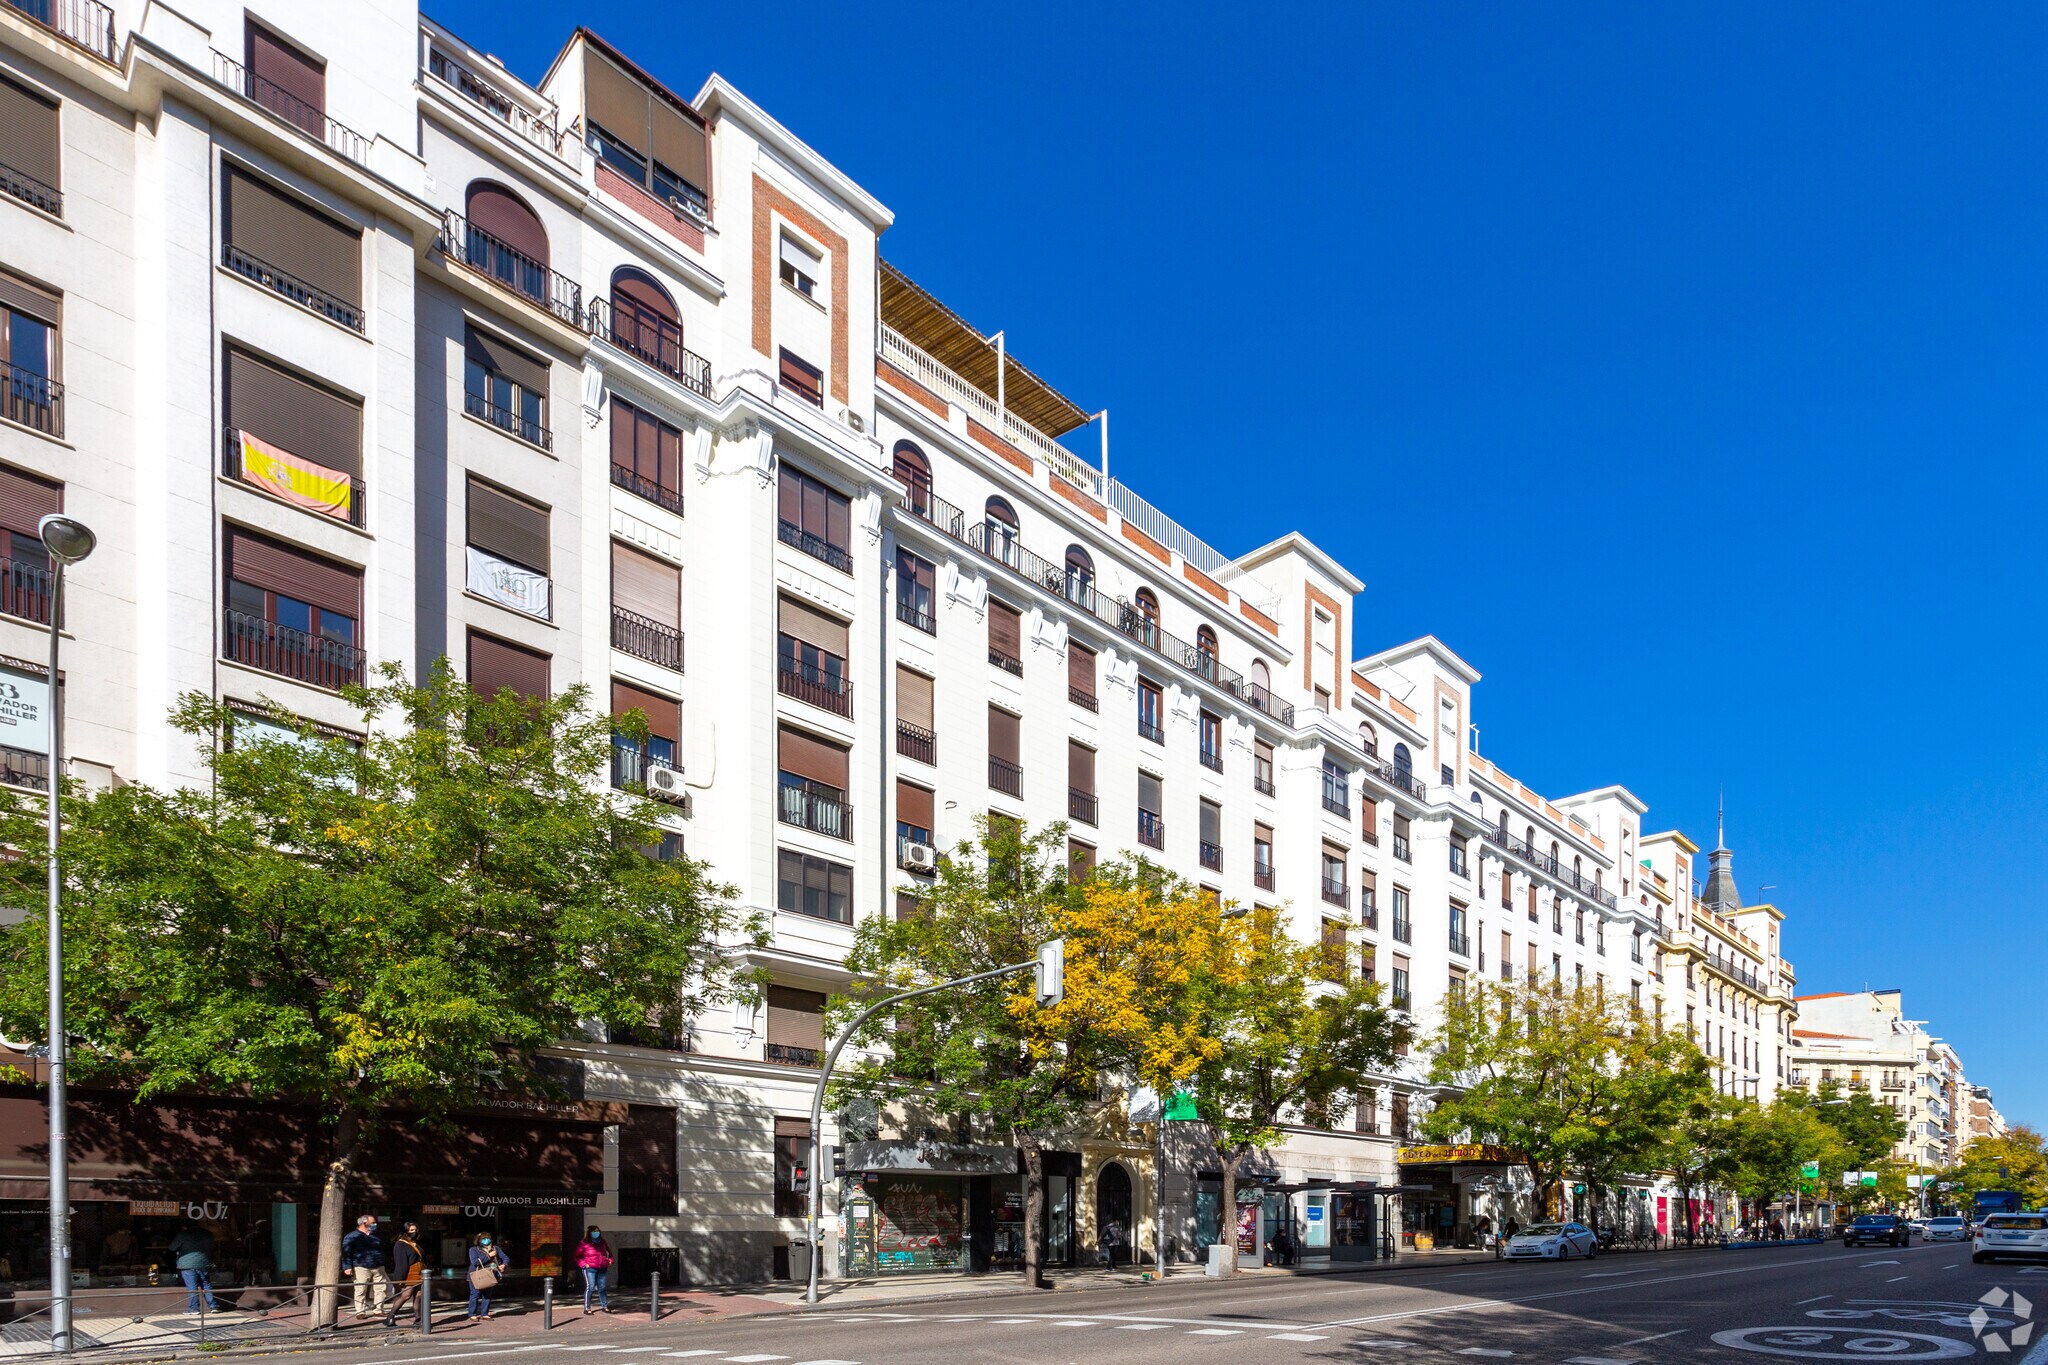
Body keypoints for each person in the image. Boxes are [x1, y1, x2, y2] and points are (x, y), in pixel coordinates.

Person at [341, 1215, 391, 1320]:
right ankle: (360, 1311)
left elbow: (382, 1248)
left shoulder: (376, 1235)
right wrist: (347, 1267)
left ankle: (378, 1310)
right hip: (361, 1267)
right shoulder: (351, 1236)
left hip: (378, 1266)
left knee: (381, 1288)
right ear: (364, 1223)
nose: (375, 1224)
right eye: (372, 1222)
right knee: (360, 1289)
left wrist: (382, 1260)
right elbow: (346, 1253)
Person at [168, 1223, 225, 1314]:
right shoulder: (208, 1233)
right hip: (204, 1263)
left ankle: (194, 1308)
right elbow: (213, 1246)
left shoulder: (183, 1234)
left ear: (185, 1226)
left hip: (187, 1264)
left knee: (192, 1286)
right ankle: (214, 1306)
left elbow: (172, 1248)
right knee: (206, 1284)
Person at [385, 1222, 428, 1328]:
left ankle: (418, 1319)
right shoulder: (400, 1244)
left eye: (415, 1230)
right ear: (405, 1231)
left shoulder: (414, 1243)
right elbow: (401, 1262)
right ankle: (390, 1317)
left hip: (420, 1272)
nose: (414, 1232)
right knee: (406, 1295)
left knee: (418, 1296)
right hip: (410, 1273)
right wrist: (400, 1278)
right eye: (411, 1230)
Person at [467, 1233, 508, 1321]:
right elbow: (475, 1262)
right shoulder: (473, 1249)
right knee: (475, 1294)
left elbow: (505, 1257)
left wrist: (504, 1265)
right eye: (483, 1239)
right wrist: (488, 1256)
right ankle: (472, 1314)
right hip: (476, 1276)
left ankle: (484, 1314)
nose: (486, 1241)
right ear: (478, 1240)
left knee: (487, 1295)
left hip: (490, 1275)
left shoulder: (495, 1248)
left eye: (488, 1238)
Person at [575, 1227, 615, 1314]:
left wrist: (610, 1260)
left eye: (597, 1231)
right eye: (593, 1232)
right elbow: (577, 1256)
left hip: (602, 1267)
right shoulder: (584, 1243)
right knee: (591, 1287)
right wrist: (584, 1265)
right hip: (590, 1269)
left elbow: (609, 1252)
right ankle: (587, 1308)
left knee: (602, 1287)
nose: (596, 1233)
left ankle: (604, 1306)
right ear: (589, 1233)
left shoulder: (602, 1241)